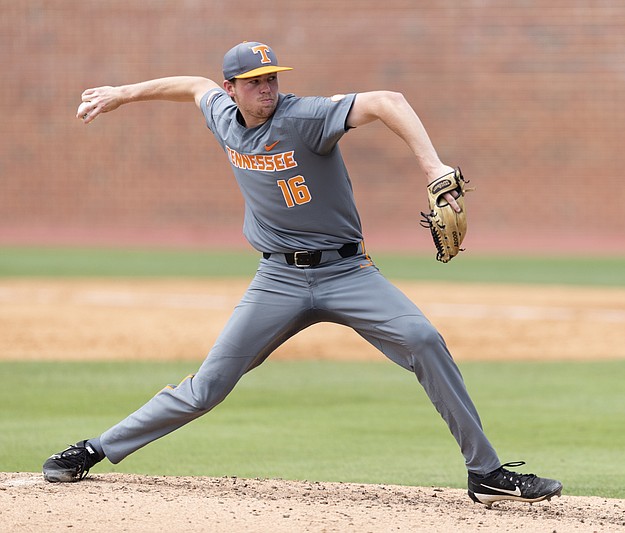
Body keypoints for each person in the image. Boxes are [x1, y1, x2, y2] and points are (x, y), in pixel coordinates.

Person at [43, 41, 562, 507]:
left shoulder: (305, 117)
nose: (267, 87)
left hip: (348, 272)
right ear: (234, 90)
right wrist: (123, 93)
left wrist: (432, 166)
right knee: (207, 386)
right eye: (255, 82)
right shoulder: (223, 116)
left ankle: (486, 472)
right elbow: (193, 85)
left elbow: (389, 101)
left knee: (424, 339)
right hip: (277, 281)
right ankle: (96, 448)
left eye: (272, 78)